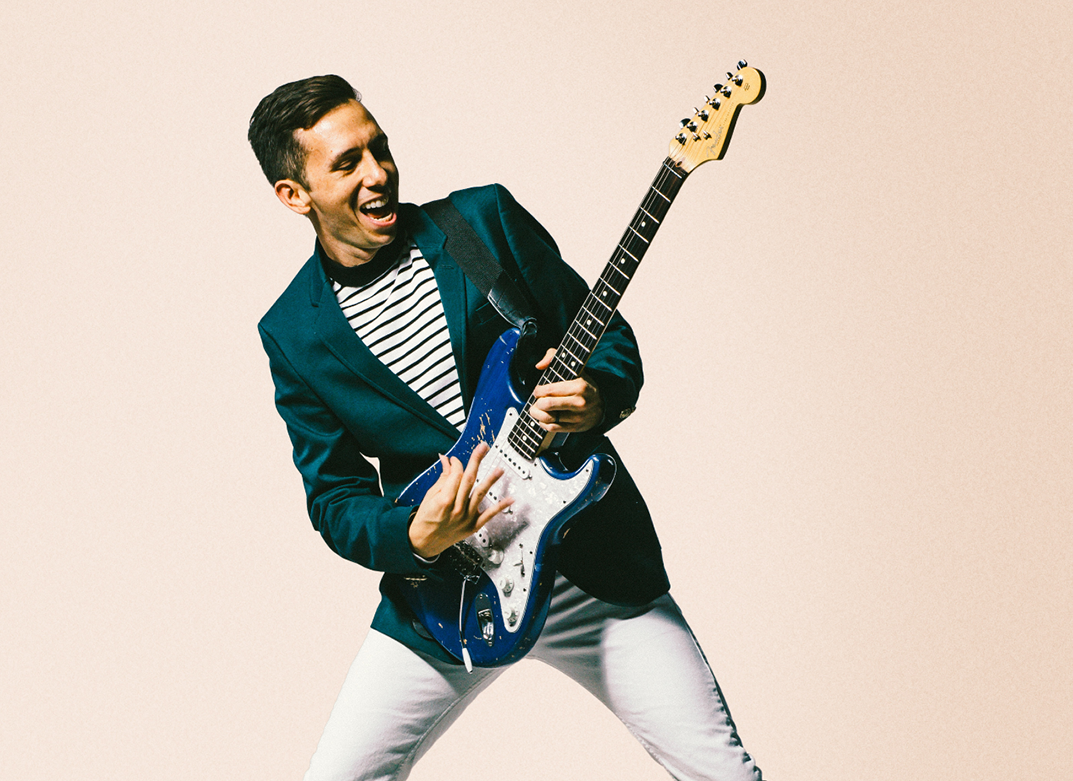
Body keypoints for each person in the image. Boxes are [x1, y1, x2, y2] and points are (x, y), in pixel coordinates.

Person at [250, 74, 762, 781]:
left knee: (724, 773)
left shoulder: (478, 224)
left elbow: (607, 337)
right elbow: (334, 496)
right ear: (294, 194)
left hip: (591, 567)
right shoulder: (293, 333)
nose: (378, 173)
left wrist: (596, 396)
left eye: (380, 147)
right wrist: (415, 534)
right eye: (347, 163)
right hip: (448, 592)